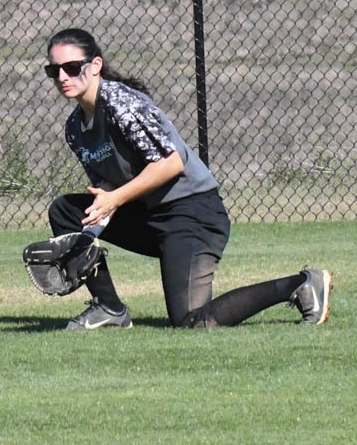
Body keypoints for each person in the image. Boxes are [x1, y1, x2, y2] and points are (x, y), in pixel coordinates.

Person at [43, 28, 332, 330]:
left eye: (72, 67)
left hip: (192, 213)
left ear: (96, 65)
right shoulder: (75, 128)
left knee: (190, 321)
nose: (63, 76)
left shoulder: (120, 103)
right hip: (149, 215)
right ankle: (109, 308)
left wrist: (114, 199)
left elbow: (171, 164)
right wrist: (83, 238)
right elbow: (109, 186)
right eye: (54, 70)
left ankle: (301, 285)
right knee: (66, 211)